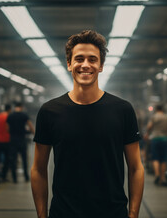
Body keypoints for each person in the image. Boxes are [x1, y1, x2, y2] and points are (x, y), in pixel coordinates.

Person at [31, 30, 144, 218]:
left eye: (92, 59)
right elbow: (38, 169)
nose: (85, 65)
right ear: (69, 64)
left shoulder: (122, 110)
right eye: (79, 59)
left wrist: (132, 215)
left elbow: (136, 168)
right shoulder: (49, 112)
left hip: (112, 214)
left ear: (100, 66)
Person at [6, 101, 35, 183]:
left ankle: (14, 178)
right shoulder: (24, 115)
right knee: (24, 158)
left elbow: (7, 129)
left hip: (13, 140)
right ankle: (26, 176)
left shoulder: (10, 116)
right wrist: (34, 135)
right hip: (22, 140)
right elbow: (30, 126)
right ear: (21, 107)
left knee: (13, 159)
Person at [144, 105, 167, 186]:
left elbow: (149, 126)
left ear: (156, 109)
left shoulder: (154, 117)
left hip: (155, 139)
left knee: (155, 158)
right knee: (163, 159)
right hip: (164, 139)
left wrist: (147, 134)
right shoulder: (166, 117)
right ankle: (162, 178)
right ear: (162, 109)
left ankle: (157, 175)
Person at [0, 104, 12, 182]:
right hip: (7, 140)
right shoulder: (9, 117)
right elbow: (9, 128)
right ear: (9, 110)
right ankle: (3, 176)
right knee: (7, 160)